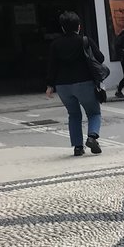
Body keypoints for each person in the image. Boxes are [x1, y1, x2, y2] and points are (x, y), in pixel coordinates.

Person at [45, 11, 103, 156]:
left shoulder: (55, 44)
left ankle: (78, 147)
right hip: (84, 82)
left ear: (63, 27)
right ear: (78, 26)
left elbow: (52, 65)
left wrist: (49, 85)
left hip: (63, 85)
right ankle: (92, 136)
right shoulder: (85, 41)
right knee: (94, 112)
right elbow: (100, 58)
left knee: (73, 114)